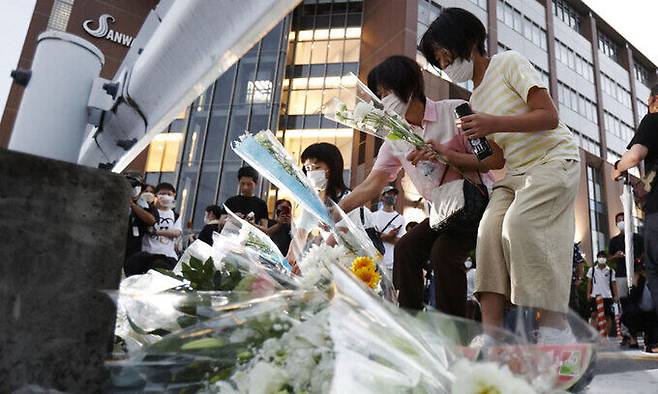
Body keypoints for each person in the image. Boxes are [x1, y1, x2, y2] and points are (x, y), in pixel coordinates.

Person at [419, 8, 581, 342]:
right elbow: (495, 159)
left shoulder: (508, 63)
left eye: (445, 54)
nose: (445, 65)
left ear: (469, 40)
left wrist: (493, 122)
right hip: (516, 173)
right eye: (439, 60)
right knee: (488, 236)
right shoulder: (475, 98)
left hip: (552, 160)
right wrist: (445, 154)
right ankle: (492, 336)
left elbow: (549, 116)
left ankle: (554, 327)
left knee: (518, 225)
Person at [339, 55, 489, 317]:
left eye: (387, 91)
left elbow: (486, 160)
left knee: (444, 254)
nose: (384, 100)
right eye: (380, 94)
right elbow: (373, 183)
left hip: (474, 205)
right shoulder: (395, 138)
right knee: (407, 248)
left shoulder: (456, 110)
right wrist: (337, 208)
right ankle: (411, 322)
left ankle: (455, 334)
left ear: (409, 86)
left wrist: (444, 155)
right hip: (442, 212)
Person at [612, 83, 658, 341]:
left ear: (654, 100)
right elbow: (650, 180)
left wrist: (619, 166)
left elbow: (636, 154)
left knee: (655, 271)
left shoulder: (653, 119)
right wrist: (640, 185)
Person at [288, 142, 374, 263]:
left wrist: (311, 263)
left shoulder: (349, 200)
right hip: (333, 264)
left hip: (359, 265)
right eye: (308, 169)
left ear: (332, 167)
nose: (311, 173)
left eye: (317, 168)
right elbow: (300, 235)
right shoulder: (313, 204)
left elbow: (339, 234)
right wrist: (288, 261)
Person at [124, 182, 182, 276]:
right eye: (162, 193)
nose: (165, 196)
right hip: (147, 255)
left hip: (168, 257)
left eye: (169, 194)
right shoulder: (148, 210)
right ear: (156, 195)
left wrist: (156, 232)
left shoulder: (175, 215)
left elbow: (176, 232)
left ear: (173, 195)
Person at [371, 186, 406, 277]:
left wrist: (380, 236)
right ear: (382, 197)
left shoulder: (400, 219)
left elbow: (400, 241)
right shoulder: (373, 216)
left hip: (391, 263)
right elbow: (370, 236)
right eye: (389, 194)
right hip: (375, 261)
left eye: (394, 195)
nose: (392, 196)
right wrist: (389, 236)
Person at [621, 266, 658, 353]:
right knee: (630, 312)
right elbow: (631, 300)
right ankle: (633, 338)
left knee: (652, 342)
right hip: (641, 313)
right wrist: (634, 284)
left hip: (654, 315)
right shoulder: (640, 281)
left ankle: (650, 339)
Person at [221, 166, 269, 233]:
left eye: (249, 184)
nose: (245, 187)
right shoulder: (231, 201)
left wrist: (253, 225)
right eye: (242, 183)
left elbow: (265, 229)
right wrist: (233, 218)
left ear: (256, 184)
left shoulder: (261, 204)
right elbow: (220, 223)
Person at [608, 212, 644, 299]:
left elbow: (644, 252)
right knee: (622, 300)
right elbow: (609, 258)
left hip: (636, 273)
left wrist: (638, 259)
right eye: (619, 220)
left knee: (637, 299)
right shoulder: (614, 240)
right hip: (621, 274)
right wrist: (615, 256)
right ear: (616, 224)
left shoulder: (638, 238)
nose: (621, 222)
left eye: (623, 220)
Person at [124, 173, 156, 264]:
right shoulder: (116, 200)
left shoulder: (145, 205)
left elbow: (151, 220)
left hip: (134, 250)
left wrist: (132, 204)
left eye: (135, 185)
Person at [586, 251, 619, 337]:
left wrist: (616, 295)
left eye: (603, 257)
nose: (601, 259)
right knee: (593, 315)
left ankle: (606, 335)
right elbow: (589, 282)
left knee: (608, 316)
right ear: (597, 258)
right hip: (595, 295)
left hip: (607, 296)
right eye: (600, 257)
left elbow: (613, 283)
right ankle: (593, 335)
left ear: (606, 259)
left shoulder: (611, 271)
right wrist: (588, 293)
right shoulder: (592, 270)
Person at [569, 243, 586, 311]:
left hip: (571, 281)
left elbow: (580, 263)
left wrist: (580, 278)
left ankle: (572, 321)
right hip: (556, 281)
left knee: (573, 305)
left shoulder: (573, 246)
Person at [465, 257, 480, 321]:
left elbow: (476, 285)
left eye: (469, 260)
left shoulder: (474, 272)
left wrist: (474, 298)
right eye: (466, 260)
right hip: (463, 300)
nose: (468, 262)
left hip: (471, 300)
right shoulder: (462, 272)